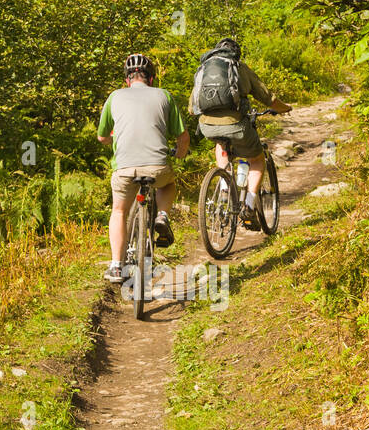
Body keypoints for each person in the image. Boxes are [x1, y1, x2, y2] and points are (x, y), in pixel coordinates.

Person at [96, 53, 190, 283]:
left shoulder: (114, 97)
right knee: (168, 183)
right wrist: (179, 155)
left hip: (125, 169)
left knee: (119, 210)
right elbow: (182, 136)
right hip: (157, 166)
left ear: (127, 80)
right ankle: (163, 216)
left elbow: (101, 137)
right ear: (152, 79)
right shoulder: (164, 95)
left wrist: (112, 141)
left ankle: (117, 266)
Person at [190, 38, 292, 225]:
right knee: (257, 159)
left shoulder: (204, 69)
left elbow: (192, 108)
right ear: (235, 54)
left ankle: (223, 187)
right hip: (236, 125)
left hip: (207, 127)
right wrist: (285, 108)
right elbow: (268, 98)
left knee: (221, 144)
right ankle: (249, 206)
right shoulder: (239, 67)